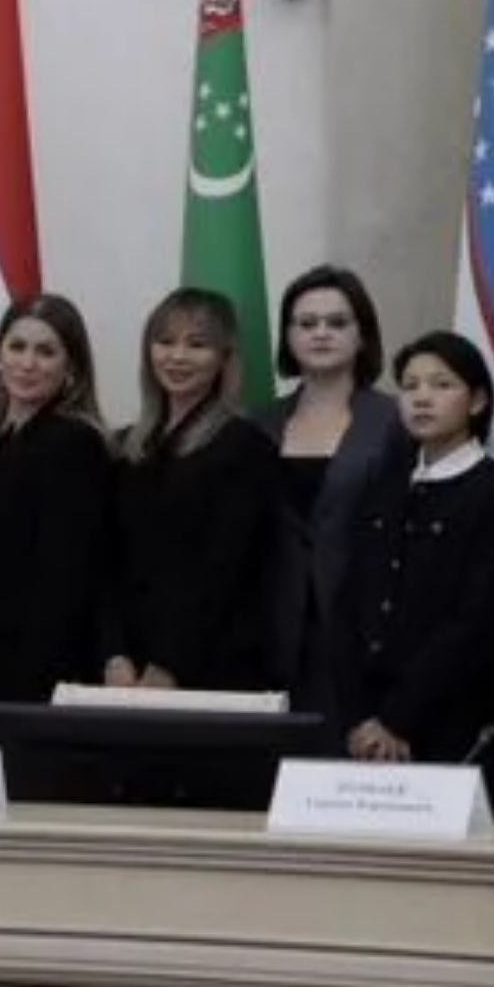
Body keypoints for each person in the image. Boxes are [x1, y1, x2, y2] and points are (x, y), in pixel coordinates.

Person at [338, 330, 494, 771]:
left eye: (442, 385)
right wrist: (360, 716)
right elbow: (349, 603)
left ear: (477, 401)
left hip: (456, 724)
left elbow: (478, 622)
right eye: (410, 386)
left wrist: (396, 719)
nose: (422, 398)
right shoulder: (383, 486)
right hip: (368, 726)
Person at [100, 287, 279, 696]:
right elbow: (105, 561)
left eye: (197, 344)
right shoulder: (126, 446)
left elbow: (225, 568)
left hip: (210, 666)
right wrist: (113, 653)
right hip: (125, 671)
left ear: (224, 359)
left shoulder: (245, 446)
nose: (177, 356)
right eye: (165, 341)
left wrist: (170, 663)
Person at [0, 292, 118, 720]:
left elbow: (67, 580)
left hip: (34, 679)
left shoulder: (71, 443)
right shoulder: (5, 441)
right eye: (17, 346)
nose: (27, 363)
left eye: (46, 352)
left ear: (71, 368)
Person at [256, 262, 409, 720]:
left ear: (363, 335)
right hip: (272, 632)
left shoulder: (397, 421)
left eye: (337, 323)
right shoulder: (256, 424)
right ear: (288, 337)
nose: (321, 333)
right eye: (306, 323)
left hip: (362, 630)